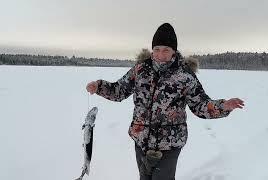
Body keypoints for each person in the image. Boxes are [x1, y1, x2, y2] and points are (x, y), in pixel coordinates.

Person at [86, 23, 244, 180]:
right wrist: (99, 87)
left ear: (173, 51)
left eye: (166, 50)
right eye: (157, 50)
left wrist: (223, 106)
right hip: (141, 140)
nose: (160, 55)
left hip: (169, 144)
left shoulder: (184, 75)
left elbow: (200, 105)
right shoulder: (140, 69)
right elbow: (119, 91)